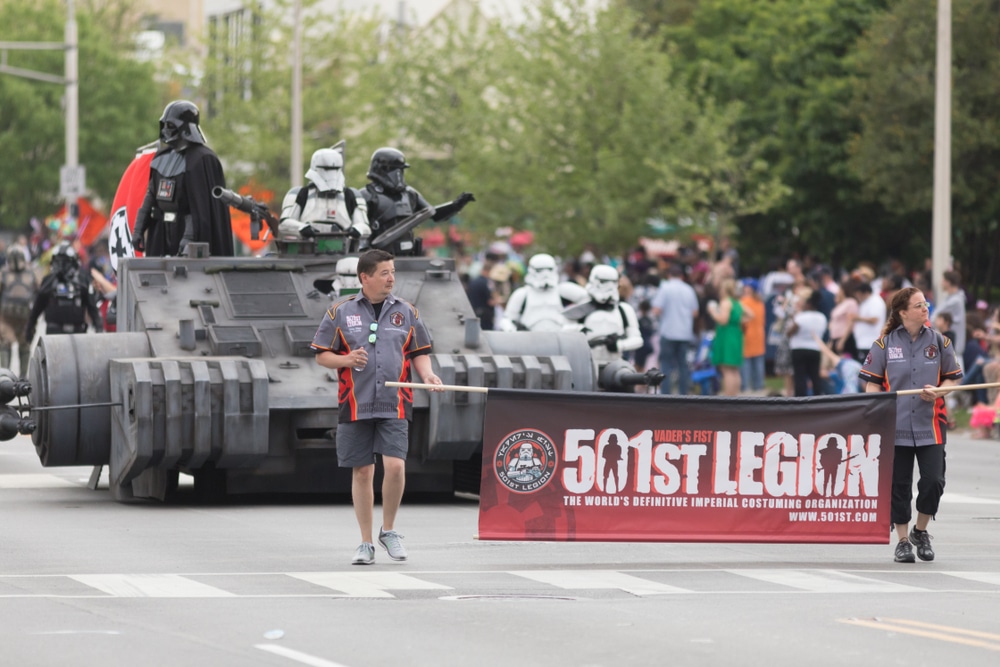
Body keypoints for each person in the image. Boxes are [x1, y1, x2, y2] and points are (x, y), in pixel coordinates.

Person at [310, 249, 443, 565]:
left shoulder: (407, 312)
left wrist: (428, 375)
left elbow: (418, 350)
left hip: (395, 401)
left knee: (396, 465)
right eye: (384, 272)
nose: (391, 278)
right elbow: (321, 354)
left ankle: (390, 530)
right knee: (362, 471)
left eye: (393, 272)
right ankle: (366, 542)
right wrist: (345, 359)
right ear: (364, 277)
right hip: (355, 402)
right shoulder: (340, 312)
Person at [859, 287, 963, 564]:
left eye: (926, 303)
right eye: (919, 305)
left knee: (933, 481)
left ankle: (921, 531)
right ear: (903, 312)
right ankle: (903, 540)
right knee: (899, 485)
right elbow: (873, 383)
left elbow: (952, 378)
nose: (925, 308)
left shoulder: (941, 342)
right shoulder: (883, 345)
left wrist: (940, 391)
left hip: (931, 424)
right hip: (896, 424)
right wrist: (877, 404)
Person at [131, 100, 234, 257]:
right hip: (160, 233)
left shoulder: (203, 160)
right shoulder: (161, 158)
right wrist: (139, 229)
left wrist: (188, 239)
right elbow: (150, 196)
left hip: (186, 236)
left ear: (185, 128)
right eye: (164, 125)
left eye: (171, 126)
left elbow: (199, 208)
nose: (165, 130)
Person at [278, 143, 371, 249]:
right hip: (307, 250)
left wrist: (356, 230)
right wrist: (302, 228)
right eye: (326, 169)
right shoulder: (301, 193)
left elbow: (364, 226)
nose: (331, 174)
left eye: (335, 169)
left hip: (344, 250)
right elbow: (284, 223)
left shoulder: (351, 195)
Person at [562, 264, 644, 371]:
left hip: (615, 363)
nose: (608, 287)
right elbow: (561, 334)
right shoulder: (581, 309)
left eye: (613, 282)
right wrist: (578, 330)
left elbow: (637, 339)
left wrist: (619, 345)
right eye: (603, 281)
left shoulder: (623, 310)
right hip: (586, 364)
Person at [25, 241, 103, 341]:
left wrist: (99, 329)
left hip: (77, 333)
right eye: (59, 261)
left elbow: (92, 308)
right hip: (54, 334)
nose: (62, 266)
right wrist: (30, 327)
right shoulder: (49, 281)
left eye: (66, 262)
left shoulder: (82, 281)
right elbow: (37, 307)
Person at [500, 253, 586, 332]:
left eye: (549, 269)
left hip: (560, 338)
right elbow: (508, 319)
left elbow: (590, 300)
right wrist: (511, 329)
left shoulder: (563, 290)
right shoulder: (522, 294)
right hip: (529, 340)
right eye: (540, 270)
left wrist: (574, 320)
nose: (545, 274)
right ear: (532, 270)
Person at [651, 263, 699, 394]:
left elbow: (656, 309)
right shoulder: (689, 289)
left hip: (668, 331)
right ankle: (683, 393)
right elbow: (695, 312)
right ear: (682, 276)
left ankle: (666, 393)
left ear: (669, 275)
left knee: (666, 364)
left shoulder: (665, 288)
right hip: (684, 333)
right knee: (683, 365)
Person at [0, 244, 39, 376]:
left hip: (22, 318)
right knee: (7, 345)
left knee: (22, 346)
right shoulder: (4, 273)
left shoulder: (29, 273)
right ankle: (7, 375)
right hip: (9, 319)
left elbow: (39, 293)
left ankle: (16, 376)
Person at [786, 289, 829, 397]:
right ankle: (817, 397)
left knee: (800, 376)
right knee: (815, 376)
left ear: (809, 304)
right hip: (815, 349)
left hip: (799, 349)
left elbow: (790, 332)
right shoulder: (822, 317)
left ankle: (800, 399)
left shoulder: (801, 317)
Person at [706, 278, 744, 396]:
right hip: (736, 334)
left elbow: (723, 320)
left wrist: (712, 312)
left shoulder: (725, 302)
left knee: (726, 369)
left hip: (726, 336)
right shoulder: (736, 302)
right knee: (734, 369)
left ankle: (729, 396)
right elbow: (750, 315)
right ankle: (735, 395)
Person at [739, 278, 766, 393]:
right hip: (759, 334)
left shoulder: (743, 302)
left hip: (746, 334)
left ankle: (745, 386)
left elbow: (741, 320)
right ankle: (759, 385)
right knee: (758, 362)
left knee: (746, 362)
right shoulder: (760, 302)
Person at [936, 271, 967, 353]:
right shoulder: (953, 299)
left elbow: (934, 317)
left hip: (953, 348)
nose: (941, 283)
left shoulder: (955, 301)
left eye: (943, 281)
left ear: (948, 282)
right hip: (950, 347)